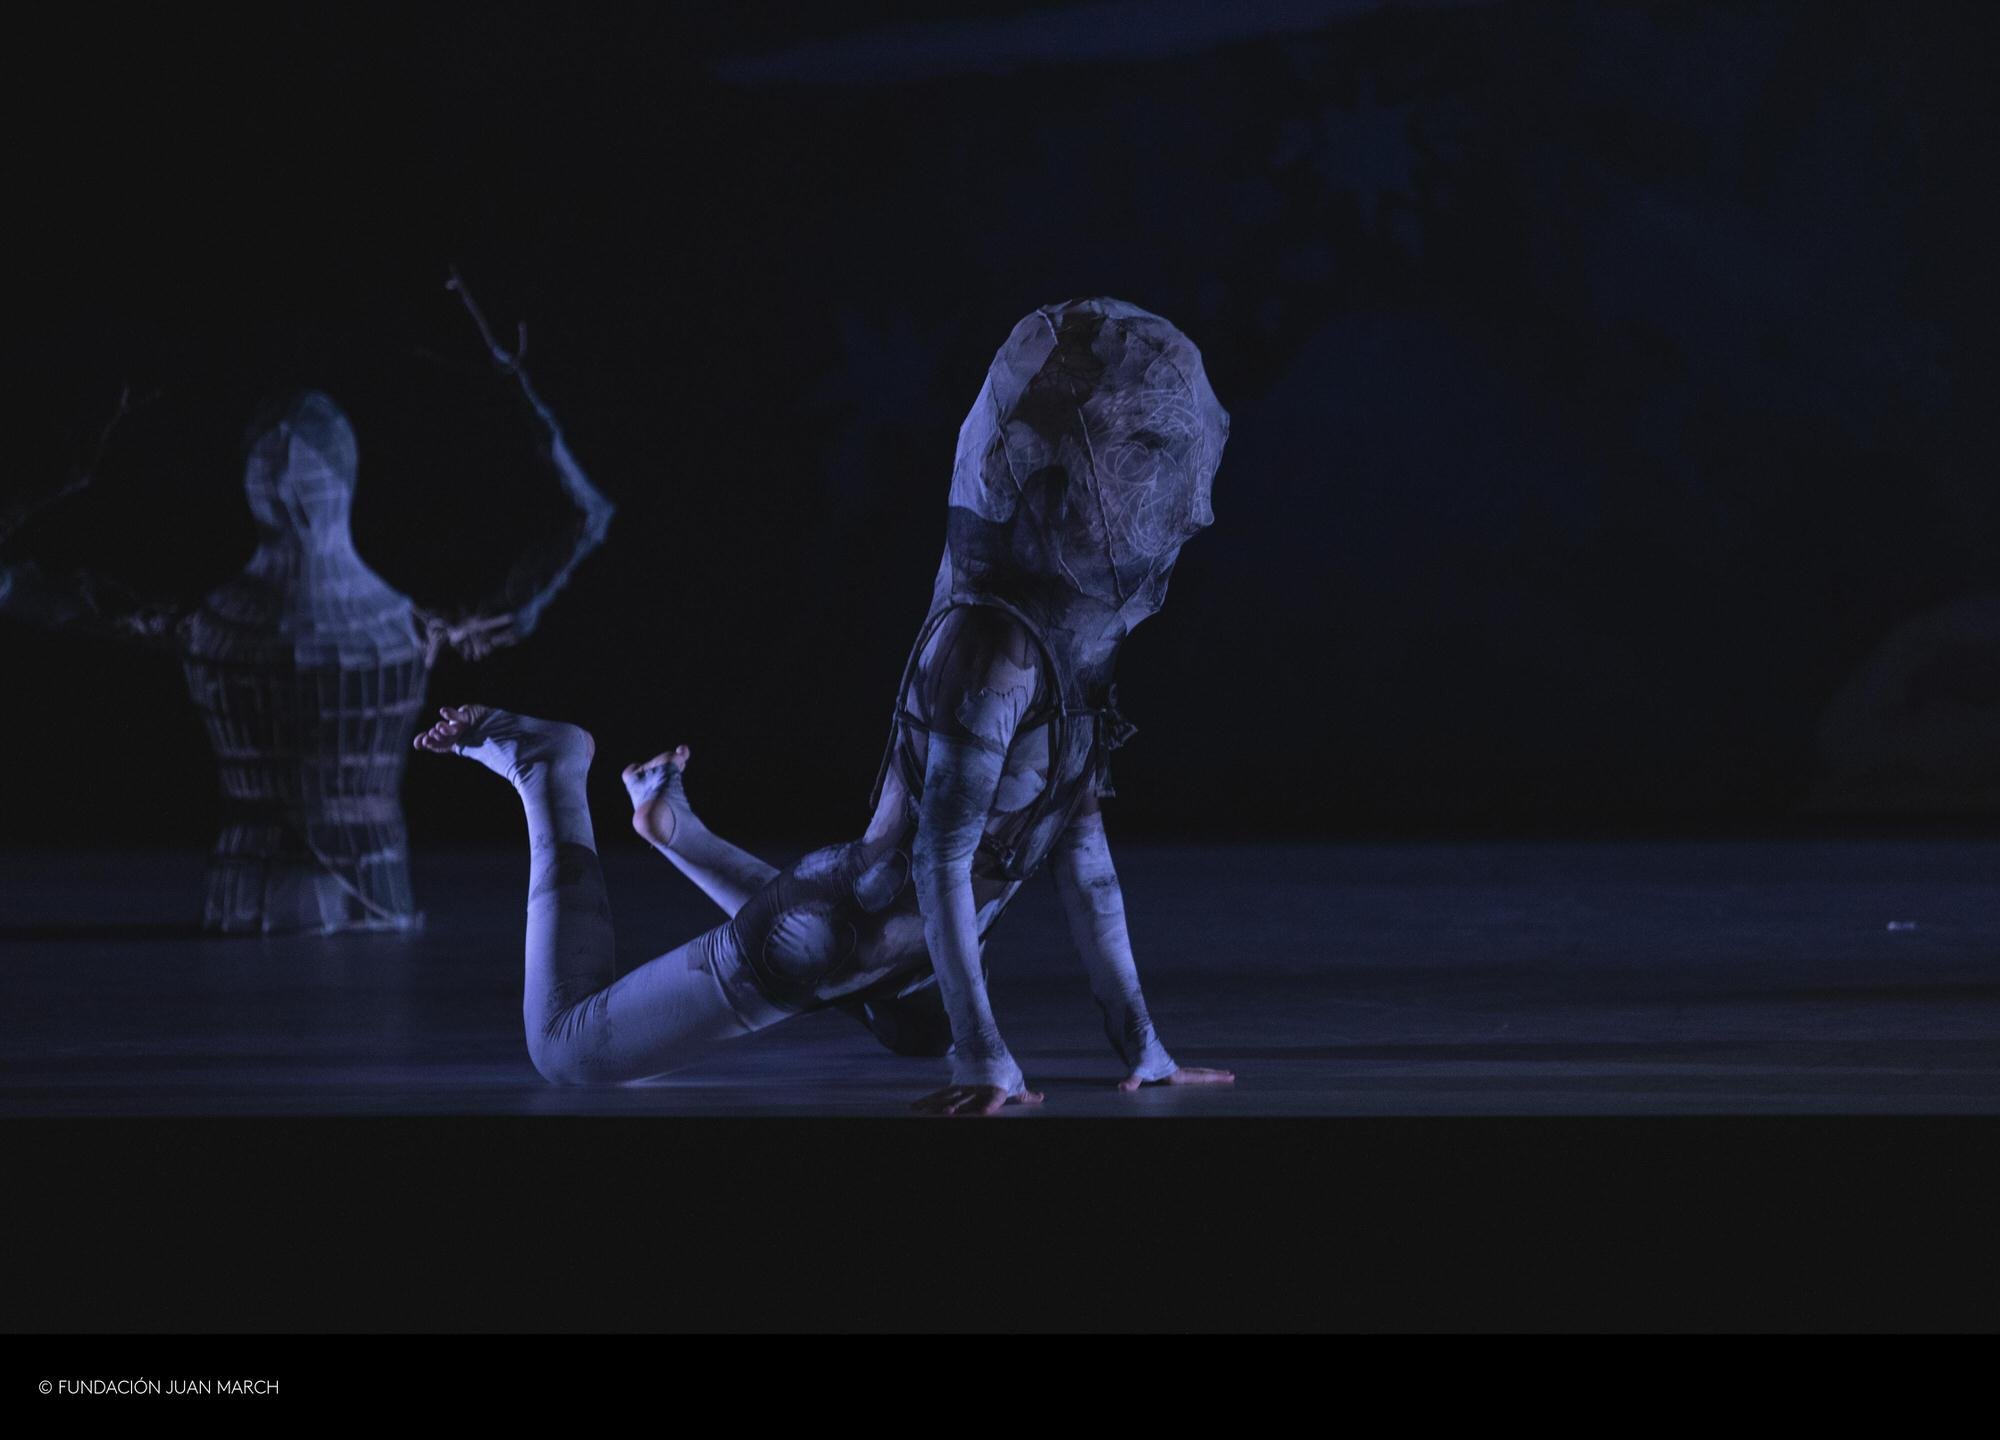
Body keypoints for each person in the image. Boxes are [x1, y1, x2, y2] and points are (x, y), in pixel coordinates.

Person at [415, 297, 1233, 1113]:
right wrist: (985, 1057)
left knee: (909, 1013)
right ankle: (547, 768)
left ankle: (677, 831)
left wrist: (1143, 1046)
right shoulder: (990, 647)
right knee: (567, 1050)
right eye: (1127, 468)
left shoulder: (1078, 650)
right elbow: (939, 862)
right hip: (831, 935)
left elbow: (1087, 868)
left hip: (910, 958)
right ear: (1052, 487)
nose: (1147, 500)